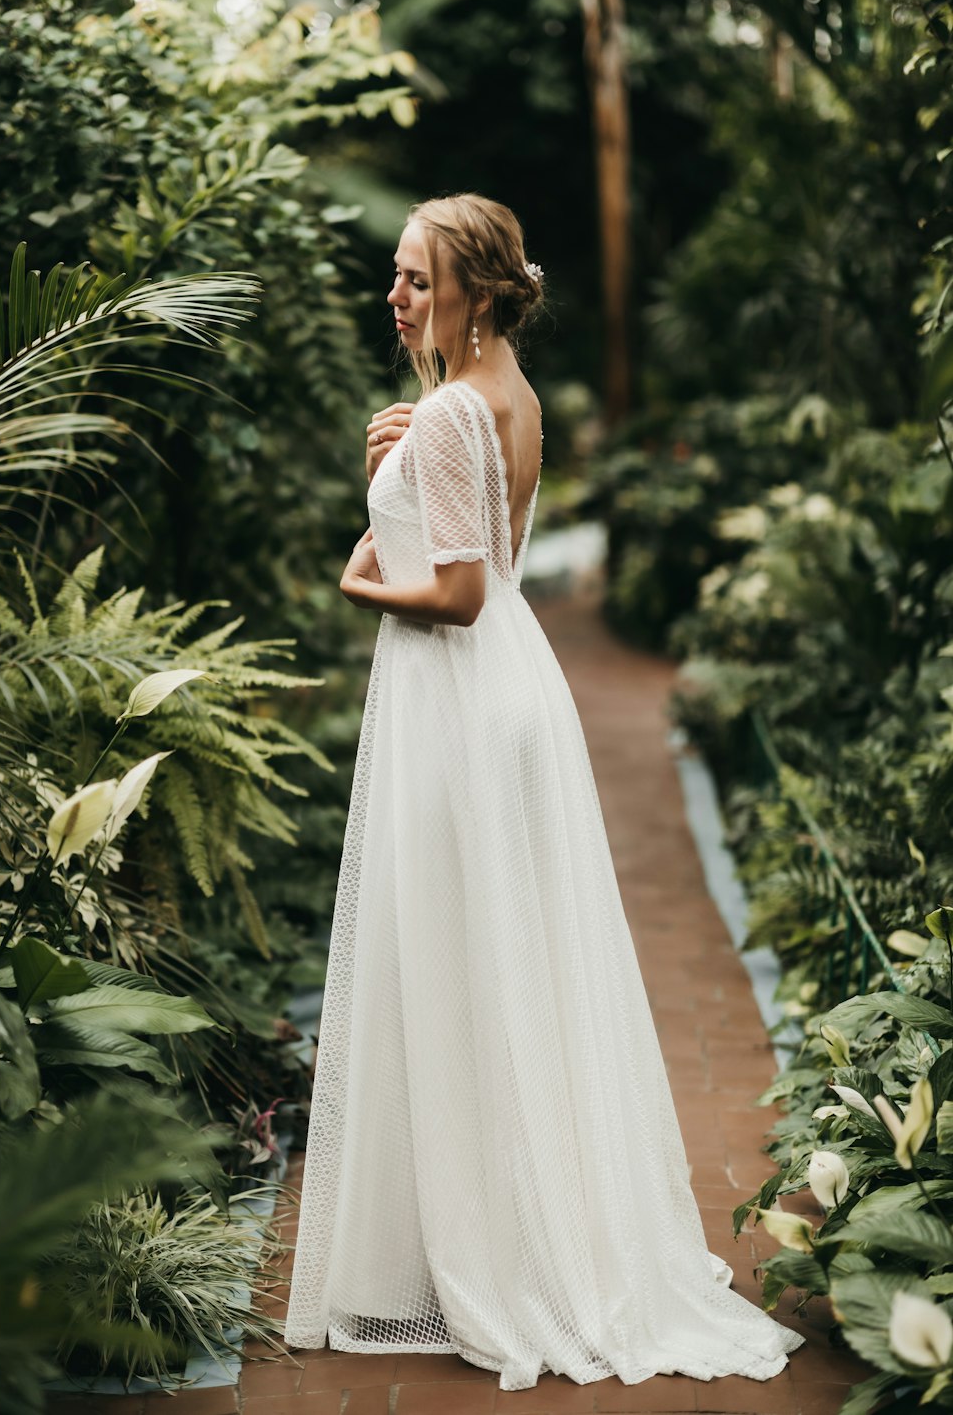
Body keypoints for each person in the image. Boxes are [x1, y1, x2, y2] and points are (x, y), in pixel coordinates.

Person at [282, 192, 804, 1391]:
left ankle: (496, 1251)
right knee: (502, 963)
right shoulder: (494, 398)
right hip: (508, 687)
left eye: (416, 279)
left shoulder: (459, 410)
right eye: (398, 277)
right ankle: (513, 1221)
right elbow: (478, 541)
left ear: (471, 292)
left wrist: (358, 580)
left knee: (461, 964)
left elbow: (455, 592)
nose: (396, 296)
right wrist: (405, 460)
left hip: (460, 692)